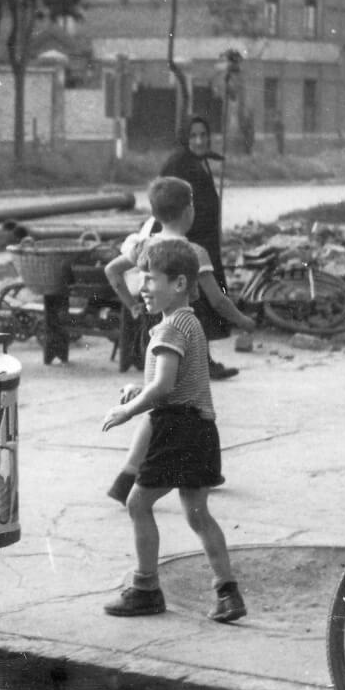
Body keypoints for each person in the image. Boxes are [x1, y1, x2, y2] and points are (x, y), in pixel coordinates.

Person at [100, 239, 247, 624]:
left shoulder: (168, 330)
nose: (142, 288)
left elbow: (164, 388)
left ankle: (146, 588)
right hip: (201, 428)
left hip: (176, 429)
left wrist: (128, 410)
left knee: (137, 504)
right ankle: (227, 592)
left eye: (149, 279)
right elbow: (172, 379)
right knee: (198, 514)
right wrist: (139, 387)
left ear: (179, 283)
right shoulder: (189, 321)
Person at [103, 177, 256, 505]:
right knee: (189, 397)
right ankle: (198, 469)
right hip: (181, 327)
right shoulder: (192, 252)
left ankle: (127, 474)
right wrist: (243, 319)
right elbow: (217, 300)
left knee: (158, 402)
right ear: (189, 211)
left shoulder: (144, 245)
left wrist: (131, 305)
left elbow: (112, 272)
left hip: (152, 327)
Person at [158, 115, 239, 380]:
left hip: (204, 241)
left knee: (200, 303)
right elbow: (165, 202)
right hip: (190, 243)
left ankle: (198, 361)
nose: (200, 140)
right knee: (197, 304)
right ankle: (202, 363)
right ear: (185, 138)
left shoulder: (197, 161)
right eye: (193, 136)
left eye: (204, 135)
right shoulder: (179, 164)